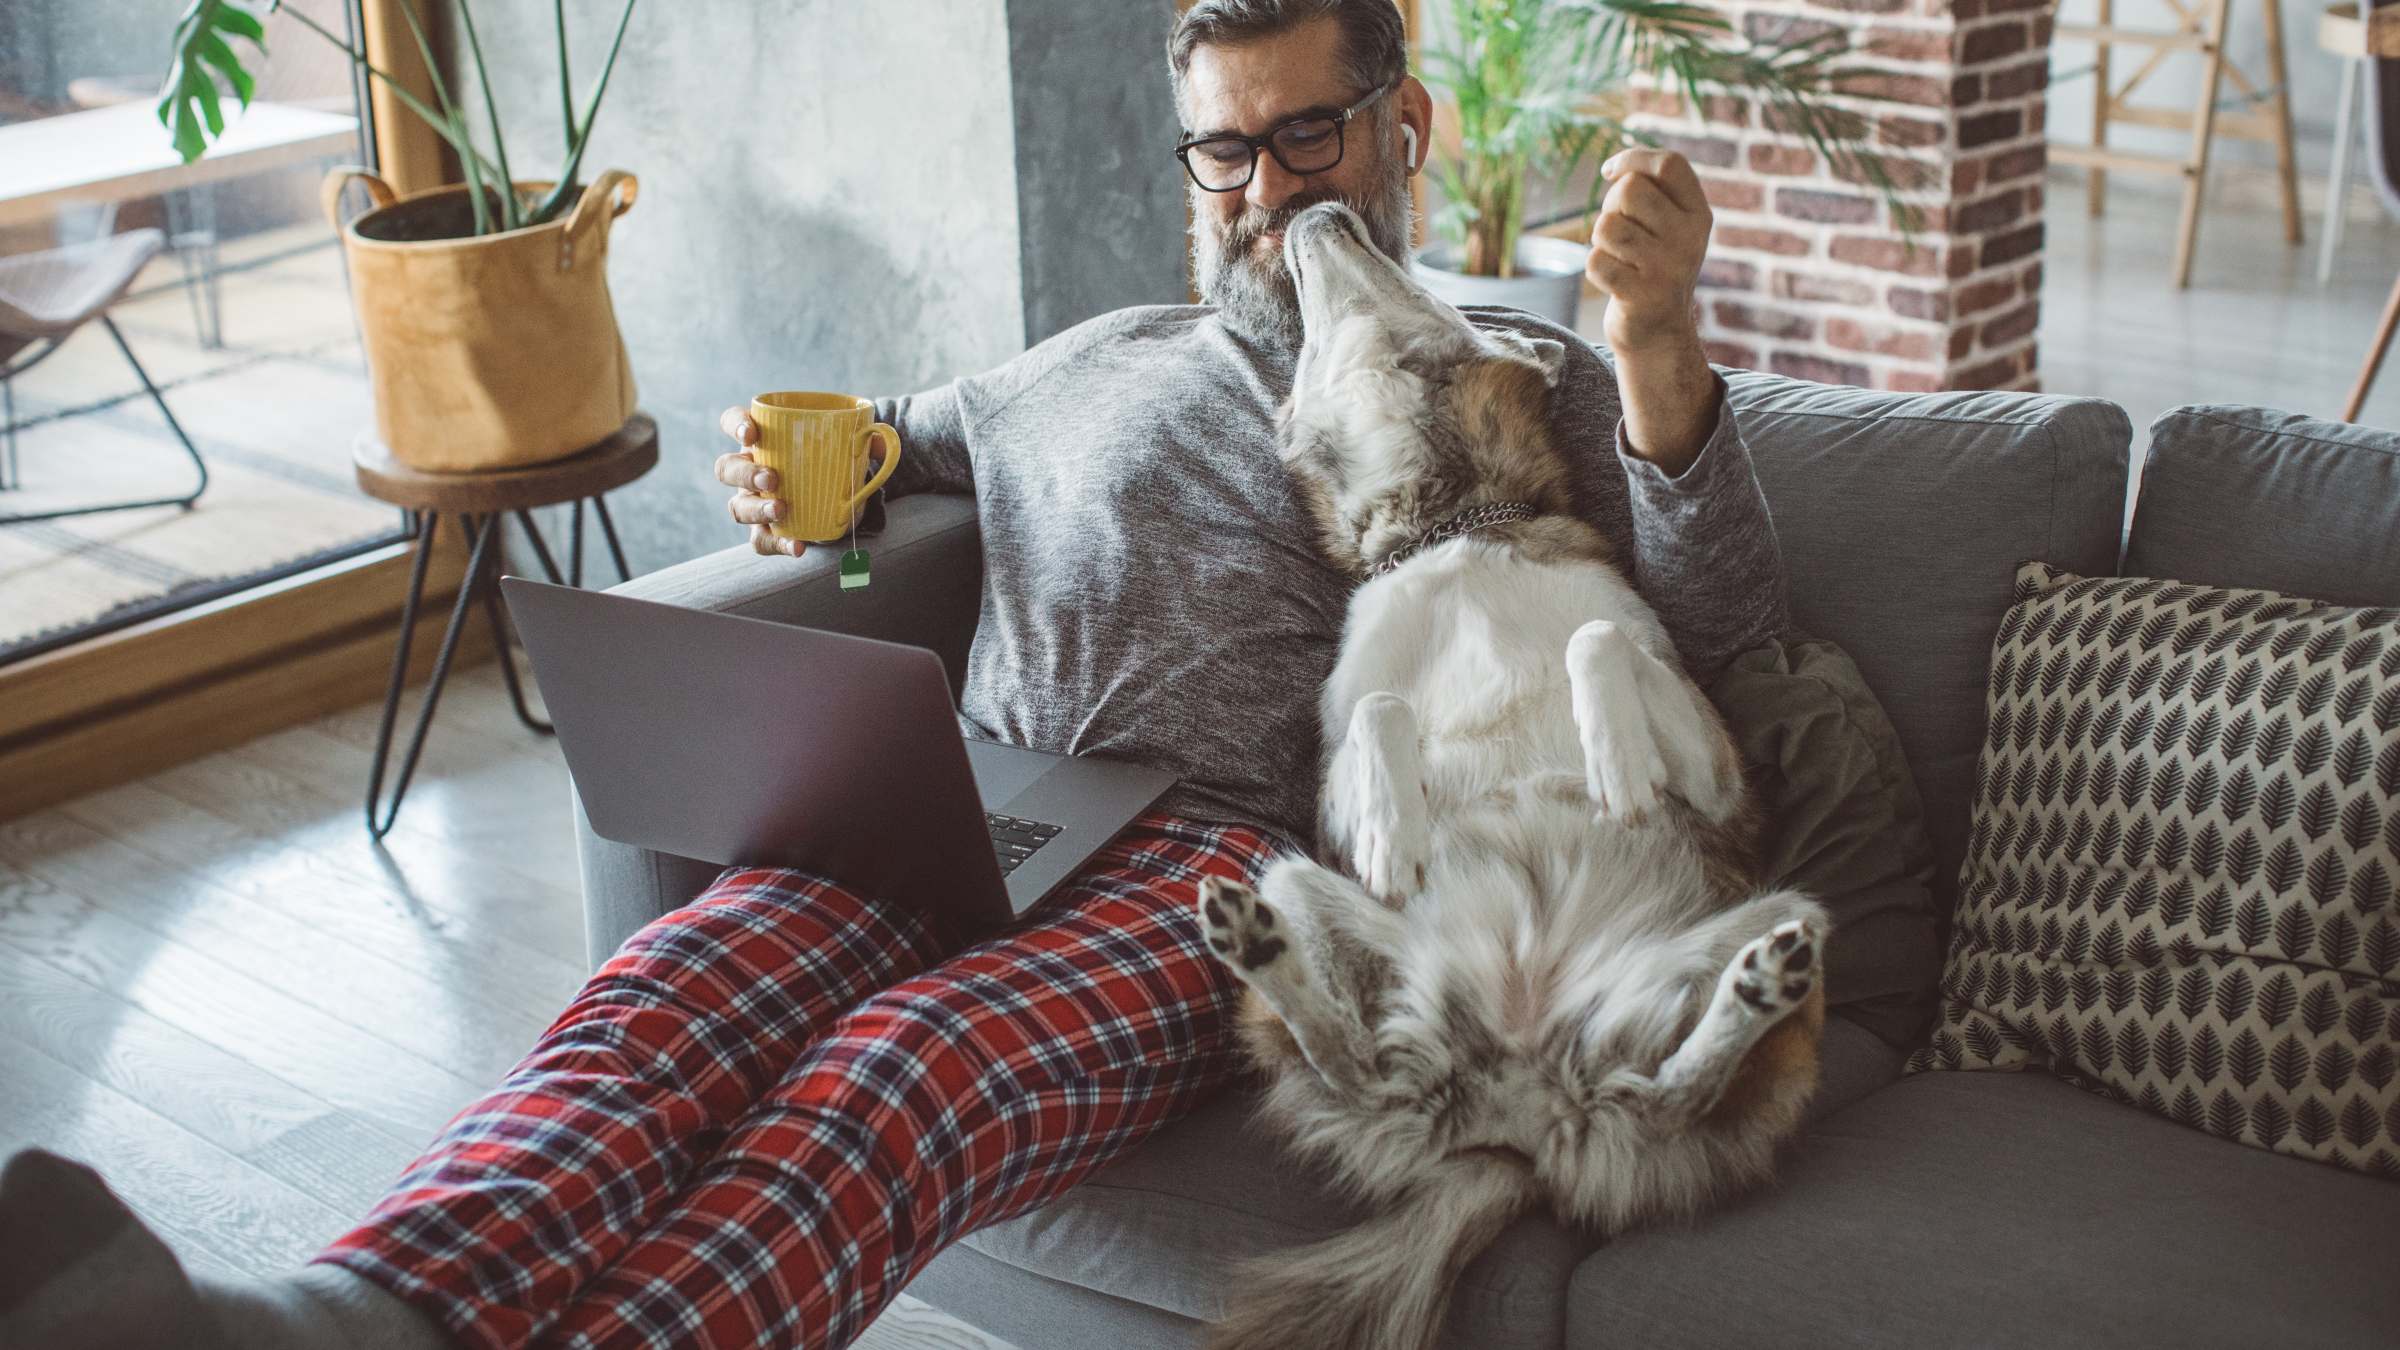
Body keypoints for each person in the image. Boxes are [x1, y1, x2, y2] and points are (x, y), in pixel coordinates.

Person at [0, 2, 1787, 1347]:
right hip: (961, 801)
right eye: (1223, 153)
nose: (1261, 194)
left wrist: (1656, 352)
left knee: (906, 1069)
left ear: (1402, 126)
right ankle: (329, 1317)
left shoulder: (1490, 364)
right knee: (656, 1006)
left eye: (1306, 138)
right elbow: (874, 459)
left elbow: (1720, 627)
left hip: (1222, 862)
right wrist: (806, 478)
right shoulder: (1076, 363)